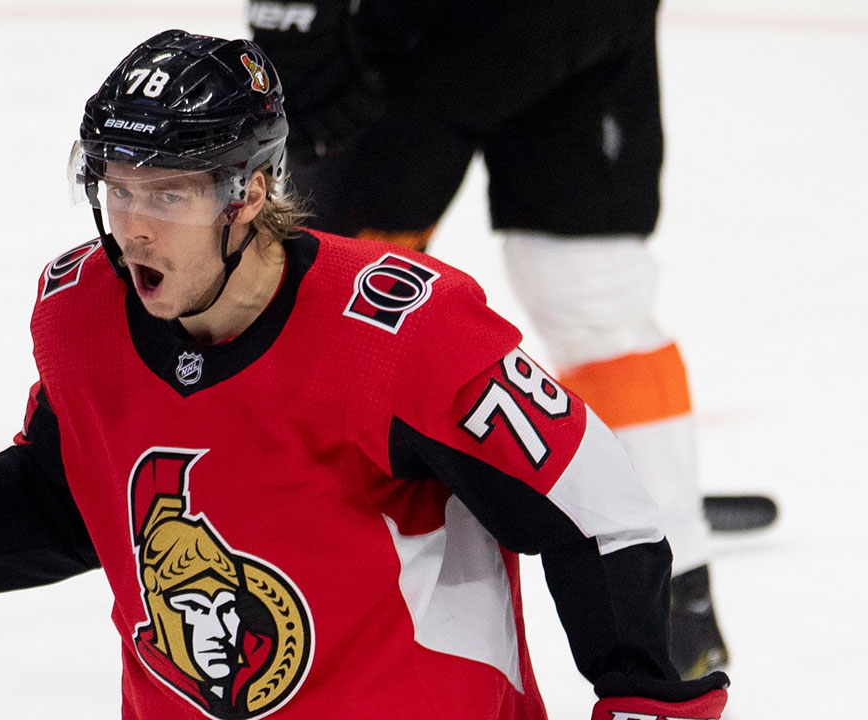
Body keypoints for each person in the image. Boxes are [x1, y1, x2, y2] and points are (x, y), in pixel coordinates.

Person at [0, 29, 730, 719]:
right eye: (117, 187)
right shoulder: (79, 313)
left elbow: (596, 511)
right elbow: (77, 495)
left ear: (251, 194)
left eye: (168, 193)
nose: (132, 225)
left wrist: (650, 701)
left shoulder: (403, 331)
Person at [248, 0, 731, 679]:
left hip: (559, 25)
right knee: (342, 280)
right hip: (429, 33)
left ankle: (673, 580)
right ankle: (282, 521)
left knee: (583, 284)